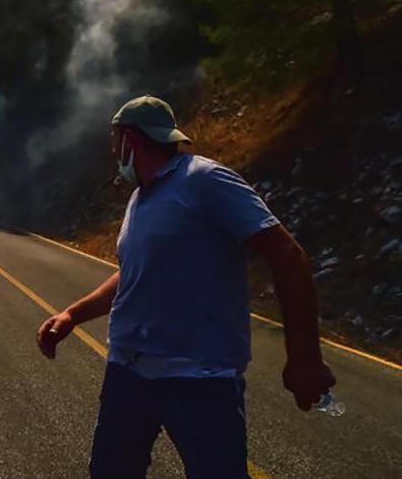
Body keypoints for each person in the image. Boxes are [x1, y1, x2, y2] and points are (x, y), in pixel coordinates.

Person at [36, 95, 335, 478]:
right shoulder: (140, 198)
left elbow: (287, 256)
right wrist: (72, 315)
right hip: (129, 374)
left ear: (129, 139)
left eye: (114, 141)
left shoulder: (205, 180)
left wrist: (305, 356)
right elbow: (133, 274)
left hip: (199, 381)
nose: (113, 151)